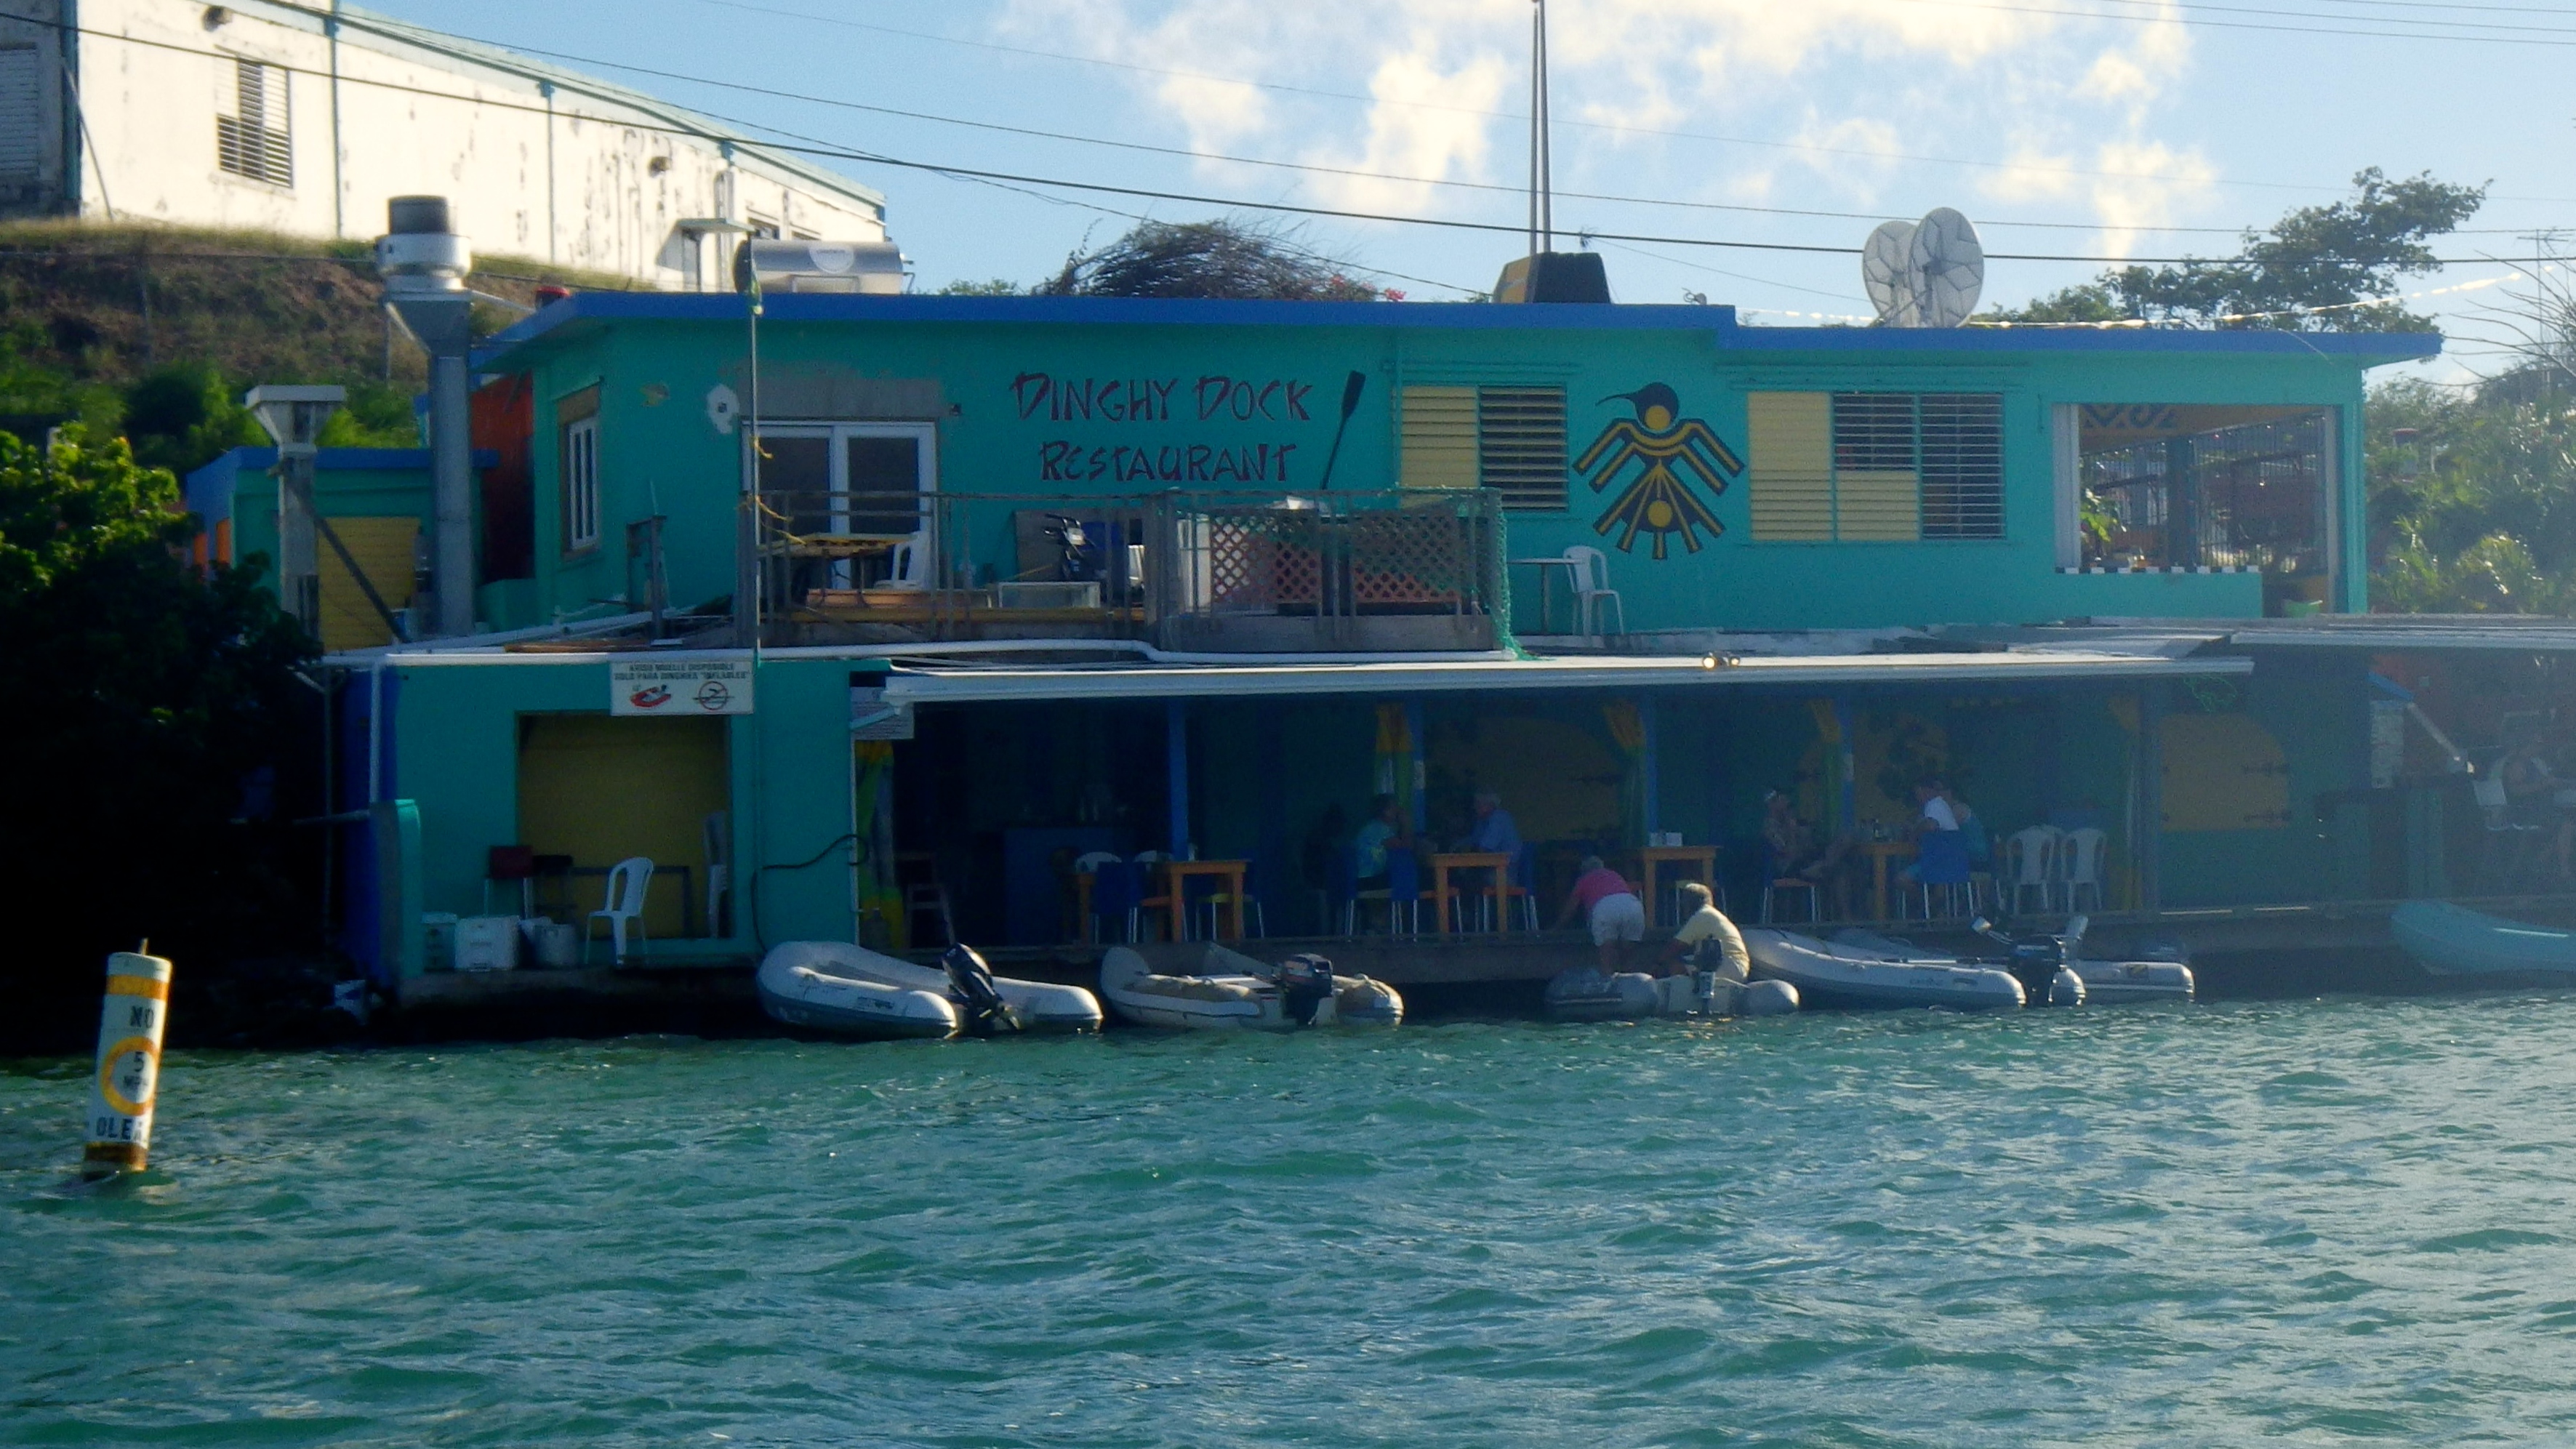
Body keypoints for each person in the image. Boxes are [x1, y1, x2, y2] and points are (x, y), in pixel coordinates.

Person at [1554, 854, 1646, 973]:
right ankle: (1628, 978)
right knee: (1629, 959)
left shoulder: (1584, 879)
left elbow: (1570, 909)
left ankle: (1608, 979)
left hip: (1604, 908)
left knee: (1606, 958)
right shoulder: (1615, 875)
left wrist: (1556, 928)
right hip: (1632, 905)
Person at [1658, 880, 1749, 982]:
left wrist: (1656, 966)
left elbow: (1674, 947)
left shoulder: (1701, 915)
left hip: (1727, 965)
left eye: (1685, 901)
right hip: (1737, 966)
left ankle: (1687, 993)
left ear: (1690, 903)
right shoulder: (1713, 914)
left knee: (1674, 965)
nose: (1683, 906)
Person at [1351, 793, 1412, 891]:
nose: (1398, 811)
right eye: (1394, 807)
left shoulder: (1378, 827)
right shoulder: (1378, 829)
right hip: (1369, 880)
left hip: (1372, 877)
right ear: (1385, 811)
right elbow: (1404, 848)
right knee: (1408, 879)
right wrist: (1406, 824)